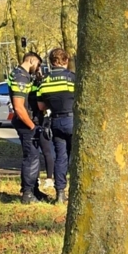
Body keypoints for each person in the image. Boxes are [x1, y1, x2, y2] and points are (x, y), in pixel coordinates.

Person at [37, 48, 75, 204]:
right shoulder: (71, 78)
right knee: (76, 157)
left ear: (51, 62)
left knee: (61, 157)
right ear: (65, 61)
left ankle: (60, 193)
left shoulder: (44, 81)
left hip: (56, 122)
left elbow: (41, 106)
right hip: (72, 121)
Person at [8, 51, 47, 204]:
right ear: (31, 61)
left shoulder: (23, 75)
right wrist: (32, 126)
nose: (38, 68)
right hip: (26, 123)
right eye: (37, 65)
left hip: (28, 122)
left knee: (34, 157)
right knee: (31, 158)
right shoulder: (21, 77)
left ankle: (33, 189)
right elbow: (19, 107)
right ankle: (28, 194)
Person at [30, 71, 56, 194]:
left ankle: (36, 179)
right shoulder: (44, 87)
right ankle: (49, 178)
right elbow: (44, 106)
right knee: (47, 151)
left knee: (34, 153)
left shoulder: (30, 87)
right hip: (43, 121)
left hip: (32, 121)